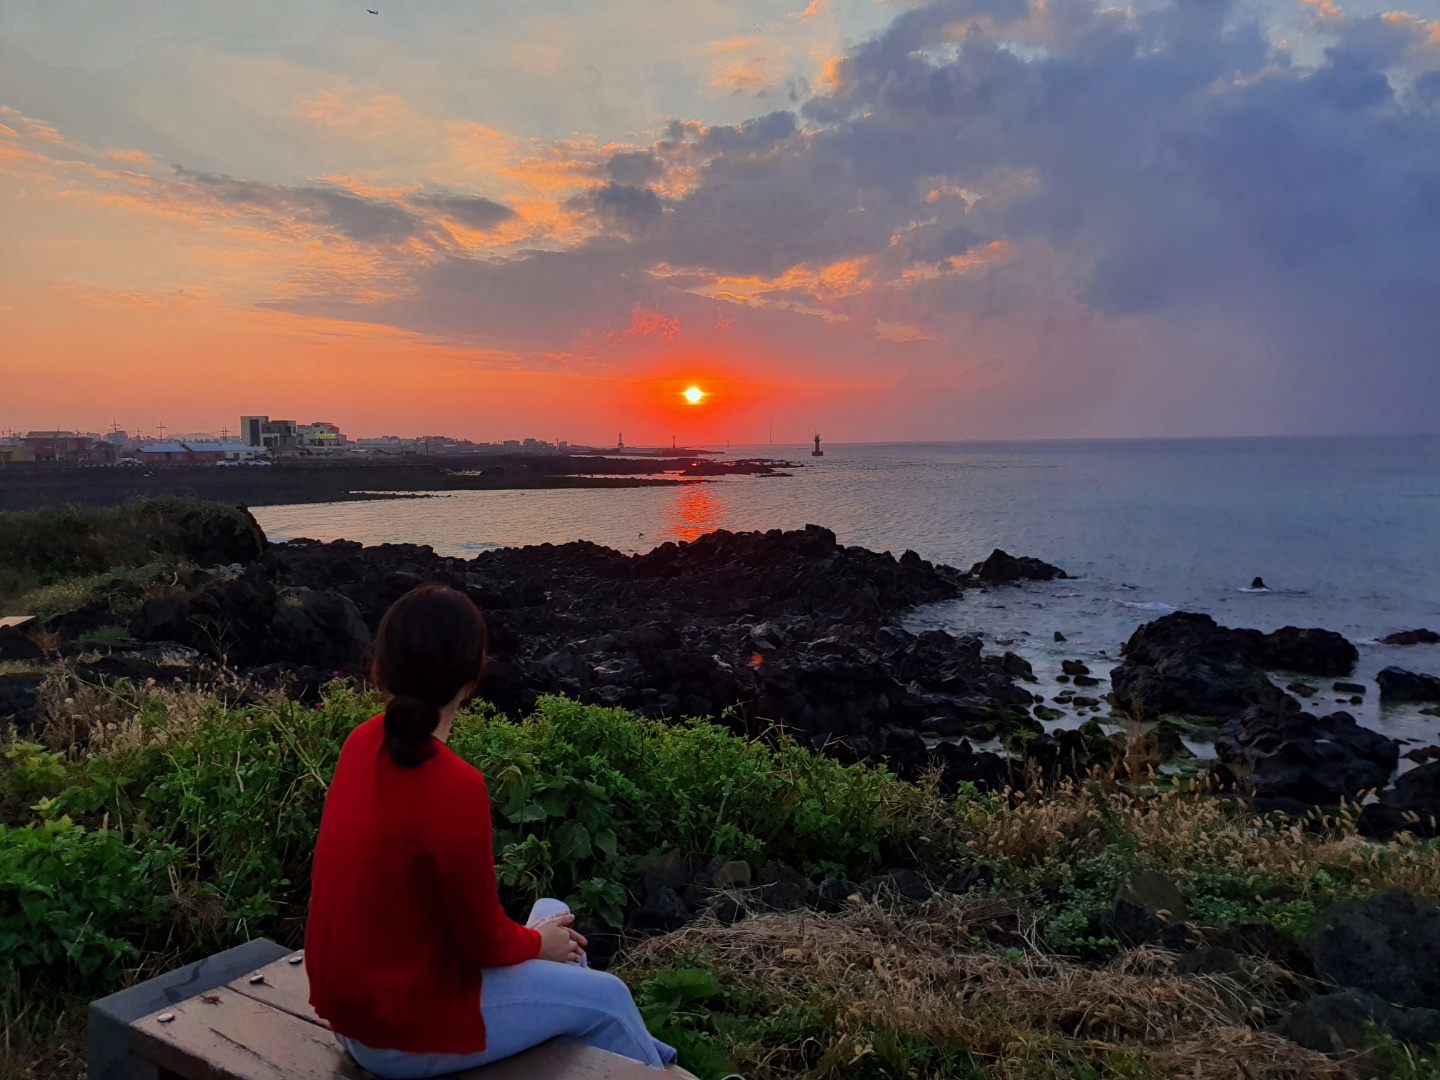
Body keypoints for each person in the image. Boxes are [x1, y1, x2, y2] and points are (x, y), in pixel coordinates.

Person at [305, 583, 677, 1077]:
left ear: (384, 664)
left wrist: (537, 941)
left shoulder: (361, 742)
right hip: (399, 1033)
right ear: (472, 675)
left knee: (553, 914)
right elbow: (480, 943)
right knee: (607, 996)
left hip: (354, 1011)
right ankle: (658, 1068)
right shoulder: (453, 785)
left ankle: (651, 1060)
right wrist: (536, 946)